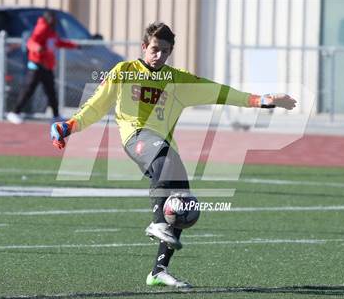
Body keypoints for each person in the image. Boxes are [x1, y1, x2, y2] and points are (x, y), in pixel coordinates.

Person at [50, 22, 296, 288]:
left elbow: (220, 93)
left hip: (163, 146)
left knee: (183, 202)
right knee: (167, 164)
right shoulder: (125, 71)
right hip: (136, 138)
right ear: (144, 47)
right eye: (155, 49)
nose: (159, 56)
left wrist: (261, 100)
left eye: (165, 51)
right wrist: (69, 126)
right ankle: (157, 224)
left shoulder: (176, 79)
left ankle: (158, 271)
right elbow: (96, 106)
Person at [7, 11, 79, 124]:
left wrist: (74, 46)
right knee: (28, 90)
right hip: (36, 66)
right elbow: (31, 42)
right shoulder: (41, 28)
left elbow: (57, 43)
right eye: (52, 18)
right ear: (47, 19)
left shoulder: (52, 31)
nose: (54, 20)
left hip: (47, 67)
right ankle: (14, 112)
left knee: (51, 92)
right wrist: (37, 48)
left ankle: (56, 116)